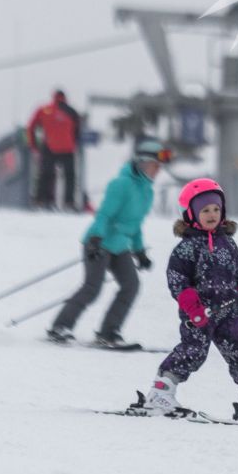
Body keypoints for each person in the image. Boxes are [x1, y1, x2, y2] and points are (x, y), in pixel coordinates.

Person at [134, 177, 238, 423]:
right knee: (193, 351)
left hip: (229, 311)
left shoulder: (229, 244)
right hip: (199, 313)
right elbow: (177, 280)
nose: (212, 214)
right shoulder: (186, 248)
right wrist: (192, 307)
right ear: (191, 215)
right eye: (205, 210)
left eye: (216, 209)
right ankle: (160, 392)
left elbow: (237, 274)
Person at [49, 138, 168, 349]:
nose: (157, 170)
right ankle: (60, 327)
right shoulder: (121, 184)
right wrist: (95, 239)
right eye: (154, 165)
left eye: (159, 167)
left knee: (131, 286)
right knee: (92, 287)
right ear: (142, 163)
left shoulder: (147, 191)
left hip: (120, 246)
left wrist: (139, 251)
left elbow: (135, 224)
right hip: (100, 242)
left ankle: (108, 331)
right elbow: (104, 214)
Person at [25, 89, 83, 210]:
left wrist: (33, 145)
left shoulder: (44, 110)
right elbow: (77, 132)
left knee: (46, 175)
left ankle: (42, 200)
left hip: (49, 147)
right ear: (64, 97)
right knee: (70, 176)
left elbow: (31, 126)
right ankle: (69, 203)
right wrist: (73, 143)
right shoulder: (72, 111)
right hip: (68, 148)